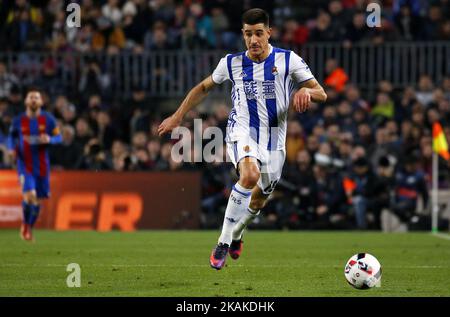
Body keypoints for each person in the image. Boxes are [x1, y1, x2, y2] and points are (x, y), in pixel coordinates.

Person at [158, 8, 327, 270]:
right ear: (243, 35)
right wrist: (178, 117)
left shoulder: (288, 60)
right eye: (248, 34)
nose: (254, 40)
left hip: (274, 139)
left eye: (259, 33)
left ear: (269, 33)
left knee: (259, 199)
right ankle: (224, 241)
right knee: (248, 176)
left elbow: (321, 93)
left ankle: (238, 234)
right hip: (242, 129)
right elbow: (203, 88)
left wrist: (306, 90)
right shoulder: (231, 63)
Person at [7, 87, 62, 242]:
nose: (33, 100)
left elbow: (59, 138)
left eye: (36, 97)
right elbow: (11, 137)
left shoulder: (49, 120)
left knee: (37, 200)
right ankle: (25, 224)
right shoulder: (18, 120)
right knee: (30, 194)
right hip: (24, 163)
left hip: (42, 165)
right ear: (26, 101)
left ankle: (28, 227)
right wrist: (11, 149)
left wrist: (50, 139)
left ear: (41, 101)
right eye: (31, 97)